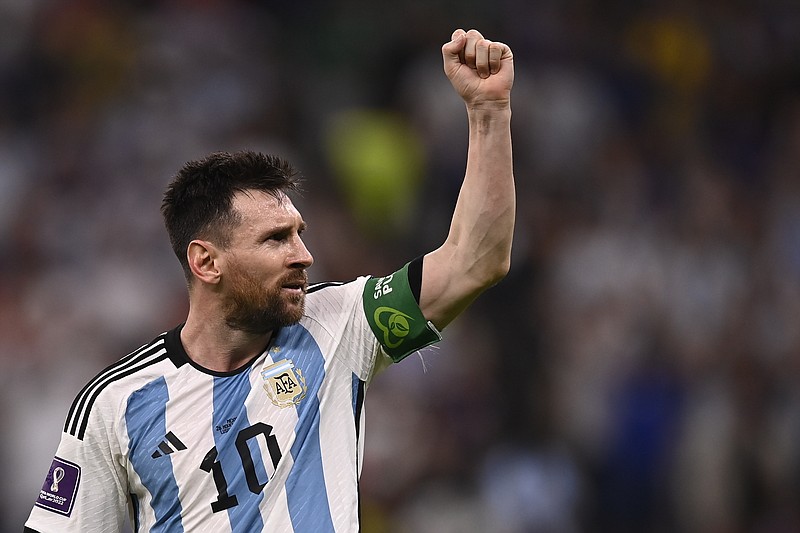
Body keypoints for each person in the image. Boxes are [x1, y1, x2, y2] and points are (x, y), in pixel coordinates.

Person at [24, 27, 515, 532]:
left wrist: (488, 113)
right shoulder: (115, 404)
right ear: (206, 262)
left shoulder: (339, 324)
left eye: (299, 234)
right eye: (276, 239)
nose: (304, 255)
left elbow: (475, 263)